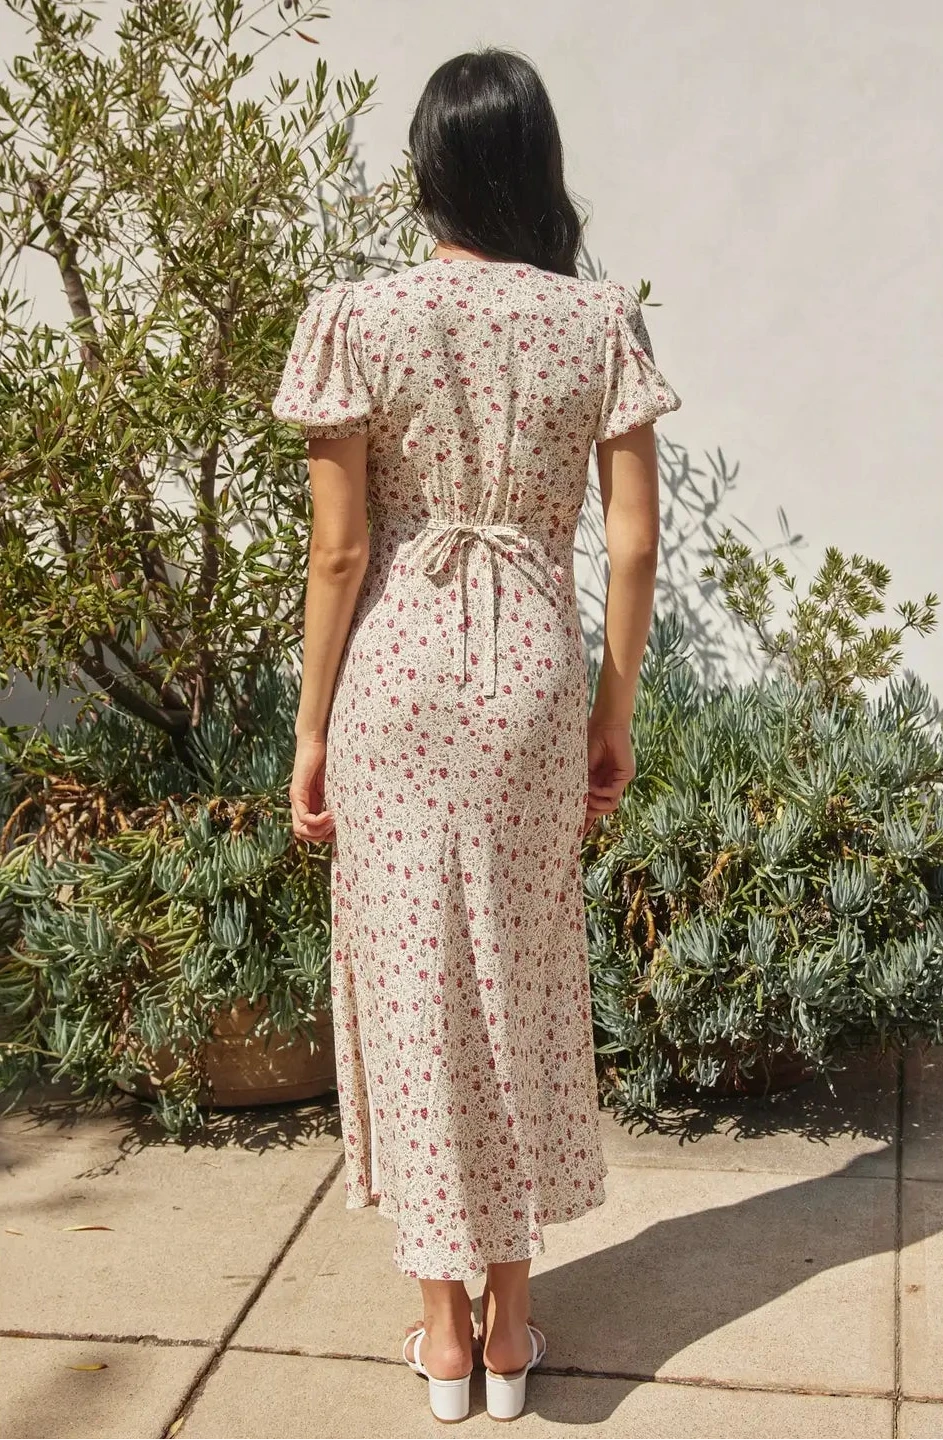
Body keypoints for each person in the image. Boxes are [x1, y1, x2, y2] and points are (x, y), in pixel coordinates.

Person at [273, 45, 681, 1424]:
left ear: (429, 168)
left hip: (393, 676)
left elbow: (338, 557)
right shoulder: (596, 322)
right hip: (525, 681)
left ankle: (441, 1338)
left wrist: (309, 730)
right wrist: (608, 711)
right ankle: (514, 1326)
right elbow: (631, 544)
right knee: (515, 973)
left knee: (411, 982)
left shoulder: (357, 316)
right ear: (537, 168)